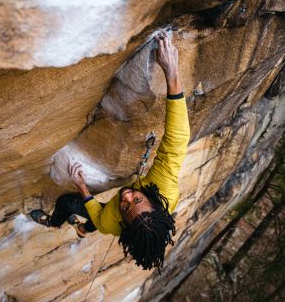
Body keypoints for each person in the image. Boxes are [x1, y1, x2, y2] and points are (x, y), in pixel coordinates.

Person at [31, 33, 190, 272]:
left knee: (69, 204)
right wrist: (172, 74)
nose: (126, 196)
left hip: (108, 219)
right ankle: (83, 229)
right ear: (153, 204)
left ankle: (54, 222)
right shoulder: (163, 189)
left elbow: (99, 214)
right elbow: (177, 141)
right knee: (99, 220)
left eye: (126, 207)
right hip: (136, 212)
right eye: (137, 199)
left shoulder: (112, 223)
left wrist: (83, 187)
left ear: (124, 224)